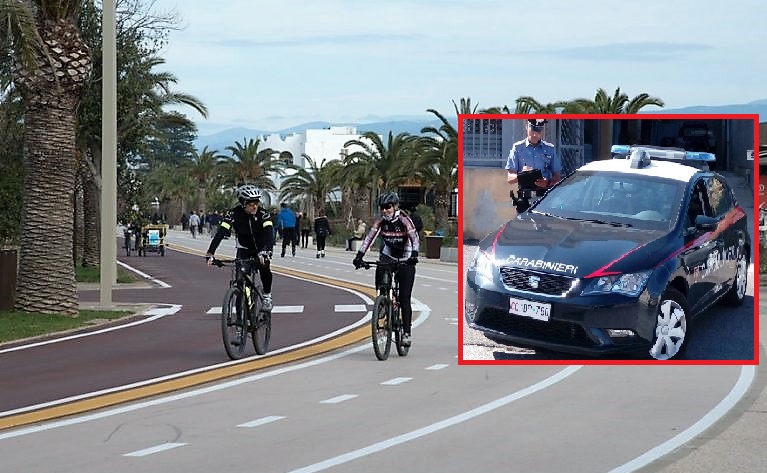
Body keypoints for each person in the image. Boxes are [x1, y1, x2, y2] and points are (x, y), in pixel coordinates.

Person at [352, 192, 419, 347]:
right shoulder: (381, 221)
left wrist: (414, 255)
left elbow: (414, 239)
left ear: (395, 206)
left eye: (388, 207)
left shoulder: (404, 220)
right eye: (382, 208)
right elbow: (370, 237)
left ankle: (407, 333)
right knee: (380, 270)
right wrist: (359, 255)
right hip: (388, 255)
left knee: (404, 298)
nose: (385, 210)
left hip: (406, 257)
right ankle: (382, 301)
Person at [206, 185, 275, 310]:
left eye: (257, 203)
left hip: (261, 249)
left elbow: (269, 233)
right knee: (240, 281)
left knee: (265, 268)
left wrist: (267, 251)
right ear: (243, 203)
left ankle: (267, 296)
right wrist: (210, 252)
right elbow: (221, 232)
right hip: (244, 250)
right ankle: (240, 320)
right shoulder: (233, 214)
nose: (255, 206)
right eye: (251, 203)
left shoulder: (263, 214)